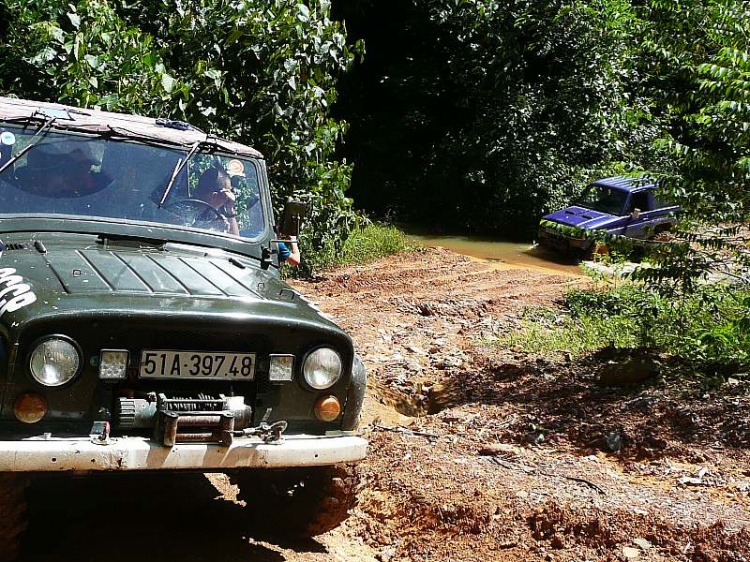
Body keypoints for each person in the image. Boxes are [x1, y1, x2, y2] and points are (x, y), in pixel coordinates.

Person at [193, 166, 240, 235]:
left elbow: (236, 240)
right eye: (226, 194)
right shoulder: (186, 208)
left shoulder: (218, 211)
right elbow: (181, 234)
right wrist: (211, 227)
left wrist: (230, 209)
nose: (227, 198)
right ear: (214, 195)